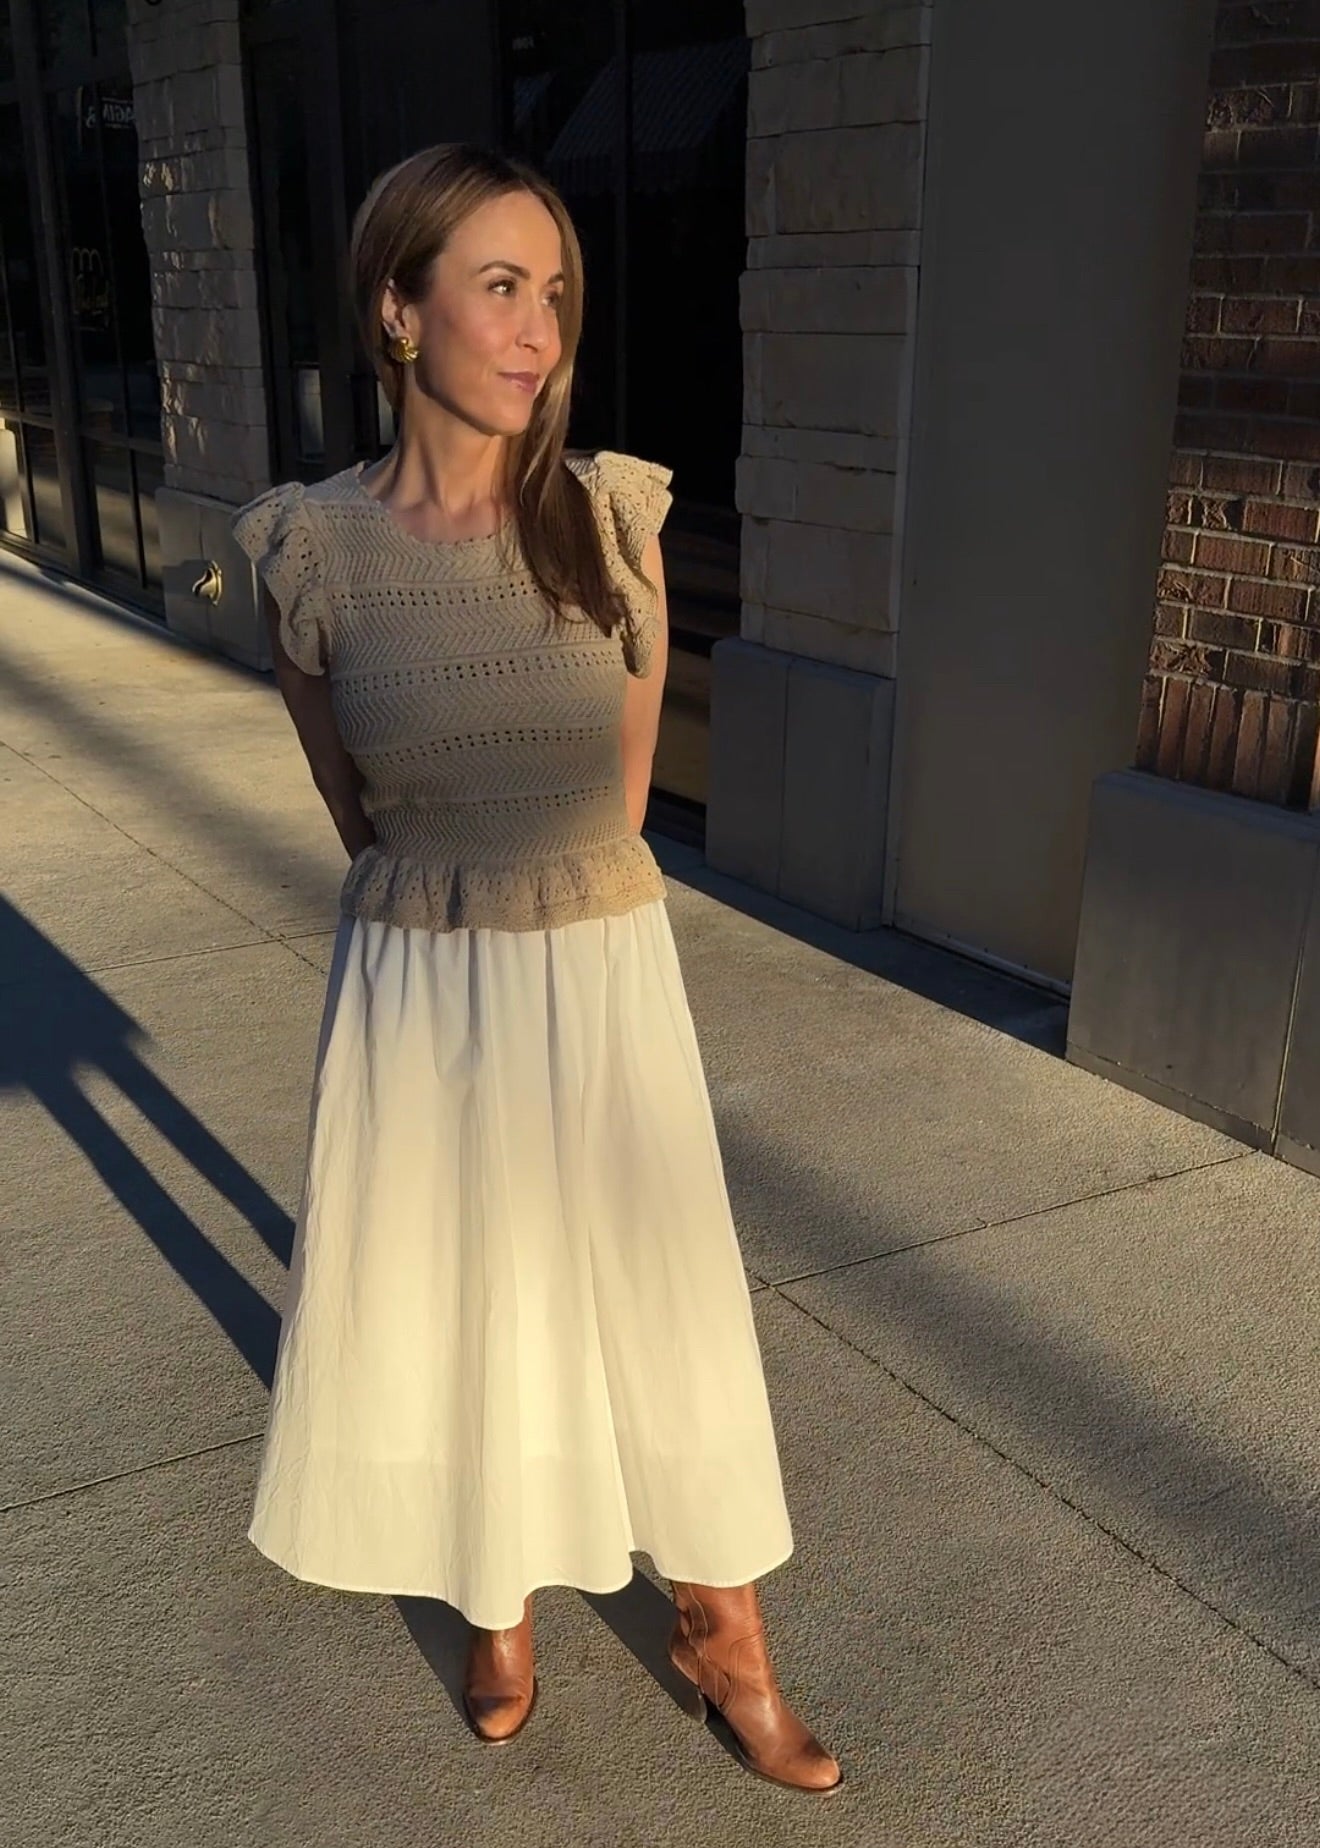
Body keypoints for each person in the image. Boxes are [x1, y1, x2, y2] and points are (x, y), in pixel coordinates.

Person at [231, 142, 841, 1798]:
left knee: (665, 1307)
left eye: (554, 293)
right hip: (427, 980)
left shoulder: (610, 522)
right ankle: (491, 1590)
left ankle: (729, 1628)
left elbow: (626, 800)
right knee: (460, 1294)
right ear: (397, 307)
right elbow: (362, 814)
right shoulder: (310, 556)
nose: (538, 330)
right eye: (499, 286)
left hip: (599, 965)